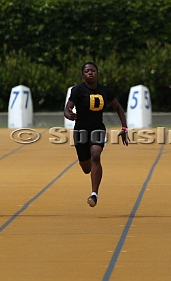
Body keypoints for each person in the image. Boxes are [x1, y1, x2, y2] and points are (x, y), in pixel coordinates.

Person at [64, 62, 129, 208]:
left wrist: (124, 128)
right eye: (87, 71)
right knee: (86, 167)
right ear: (83, 74)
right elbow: (67, 108)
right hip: (80, 131)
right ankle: (90, 171)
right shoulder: (77, 90)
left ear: (97, 73)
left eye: (93, 70)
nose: (90, 73)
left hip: (97, 129)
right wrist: (69, 114)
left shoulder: (104, 91)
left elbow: (118, 107)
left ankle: (94, 194)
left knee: (96, 155)